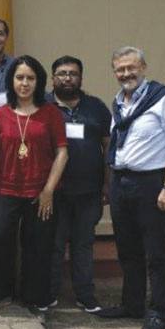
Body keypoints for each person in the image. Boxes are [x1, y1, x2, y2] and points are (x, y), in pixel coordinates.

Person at [98, 47, 165, 329]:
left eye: (131, 67)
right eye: (120, 69)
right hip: (121, 182)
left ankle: (160, 311)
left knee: (156, 252)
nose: (126, 73)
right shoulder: (118, 102)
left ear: (144, 67)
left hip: (152, 184)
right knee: (128, 250)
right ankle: (132, 304)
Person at [0, 55, 68, 324]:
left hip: (39, 192)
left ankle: (36, 299)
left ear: (39, 82)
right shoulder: (1, 114)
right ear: (12, 81)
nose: (24, 83)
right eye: (19, 77)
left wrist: (49, 191)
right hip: (5, 189)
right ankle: (1, 293)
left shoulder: (51, 113)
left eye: (30, 78)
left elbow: (62, 152)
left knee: (38, 245)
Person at [46, 56, 112, 313]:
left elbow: (107, 147)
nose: (67, 78)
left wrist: (107, 185)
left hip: (89, 191)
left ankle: (85, 295)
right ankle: (50, 293)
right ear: (53, 78)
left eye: (73, 73)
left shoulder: (96, 106)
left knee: (84, 244)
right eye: (62, 73)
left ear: (81, 78)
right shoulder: (43, 105)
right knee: (55, 244)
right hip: (54, 192)